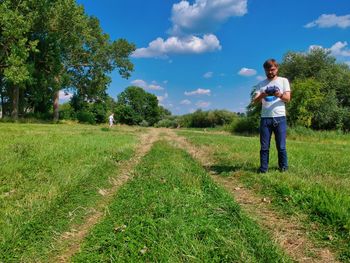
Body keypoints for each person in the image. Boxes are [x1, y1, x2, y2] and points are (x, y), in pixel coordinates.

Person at [253, 59, 291, 173]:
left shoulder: (283, 81)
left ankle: (283, 168)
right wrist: (263, 94)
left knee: (281, 146)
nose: (270, 72)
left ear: (277, 69)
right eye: (267, 70)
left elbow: (288, 99)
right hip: (265, 118)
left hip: (280, 117)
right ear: (265, 70)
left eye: (272, 69)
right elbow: (254, 101)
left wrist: (278, 94)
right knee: (264, 147)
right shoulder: (261, 84)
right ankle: (263, 169)